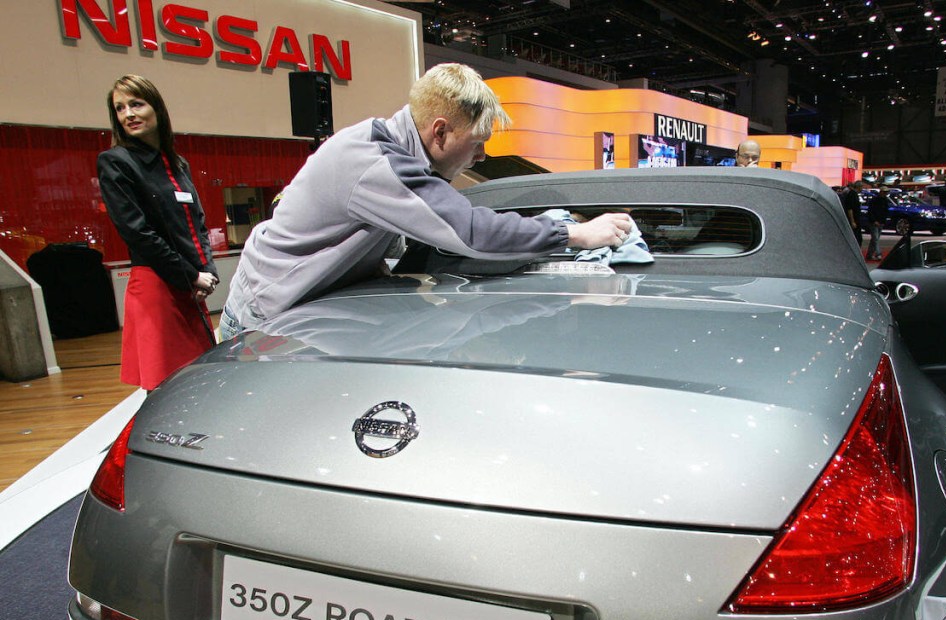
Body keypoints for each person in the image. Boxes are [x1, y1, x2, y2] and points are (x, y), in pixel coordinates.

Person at [221, 63, 631, 339]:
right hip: (269, 313)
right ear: (440, 133)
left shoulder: (395, 155)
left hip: (312, 308)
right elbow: (470, 232)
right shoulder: (375, 160)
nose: (481, 157)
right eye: (477, 143)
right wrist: (574, 232)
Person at [97, 74, 219, 391]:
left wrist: (208, 270)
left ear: (157, 108)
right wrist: (191, 274)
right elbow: (137, 233)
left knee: (199, 381)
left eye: (136, 104)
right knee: (165, 388)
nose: (129, 114)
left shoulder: (177, 164)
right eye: (120, 108)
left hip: (189, 287)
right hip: (157, 286)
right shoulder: (116, 162)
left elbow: (197, 222)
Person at [865, 184, 889, 261]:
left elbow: (885, 212)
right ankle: (878, 253)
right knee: (875, 238)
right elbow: (871, 211)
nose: (885, 194)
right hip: (874, 222)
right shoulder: (875, 200)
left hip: (880, 222)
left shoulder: (885, 200)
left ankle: (869, 254)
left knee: (874, 239)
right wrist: (874, 220)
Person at [841, 180, 865, 248]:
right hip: (854, 219)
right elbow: (850, 209)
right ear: (859, 187)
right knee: (856, 238)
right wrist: (852, 221)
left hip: (855, 219)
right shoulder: (852, 195)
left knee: (857, 238)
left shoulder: (853, 194)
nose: (862, 188)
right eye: (862, 187)